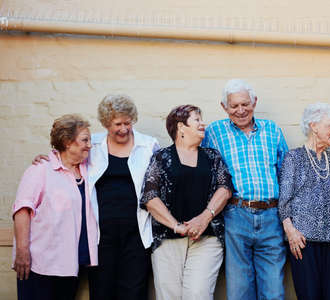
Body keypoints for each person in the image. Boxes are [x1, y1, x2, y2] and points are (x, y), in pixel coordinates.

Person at [33, 94, 159, 300]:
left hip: (137, 231)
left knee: (135, 291)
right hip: (100, 233)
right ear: (106, 123)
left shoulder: (148, 145)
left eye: (128, 122)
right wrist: (48, 159)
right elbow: (67, 159)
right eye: (118, 123)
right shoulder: (94, 144)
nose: (124, 128)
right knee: (102, 290)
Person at [202, 79, 289, 300]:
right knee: (239, 290)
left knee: (274, 291)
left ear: (254, 102)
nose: (240, 110)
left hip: (271, 216)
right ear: (224, 107)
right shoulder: (214, 132)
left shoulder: (272, 130)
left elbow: (286, 175)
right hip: (235, 215)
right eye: (234, 106)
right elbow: (205, 173)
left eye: (245, 104)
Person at [140, 104, 233, 300]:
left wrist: (204, 218)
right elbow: (150, 197)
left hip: (207, 237)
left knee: (198, 294)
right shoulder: (161, 157)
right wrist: (176, 226)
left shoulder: (212, 156)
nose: (203, 124)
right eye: (197, 120)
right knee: (169, 295)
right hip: (168, 238)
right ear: (181, 127)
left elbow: (225, 189)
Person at [13, 114, 98, 300]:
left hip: (70, 263)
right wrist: (22, 252)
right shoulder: (41, 170)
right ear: (68, 142)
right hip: (40, 263)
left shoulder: (88, 169)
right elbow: (22, 210)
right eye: (85, 140)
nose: (89, 145)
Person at [278, 102, 330, 300]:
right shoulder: (294, 157)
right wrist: (290, 232)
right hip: (303, 242)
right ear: (314, 126)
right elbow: (284, 201)